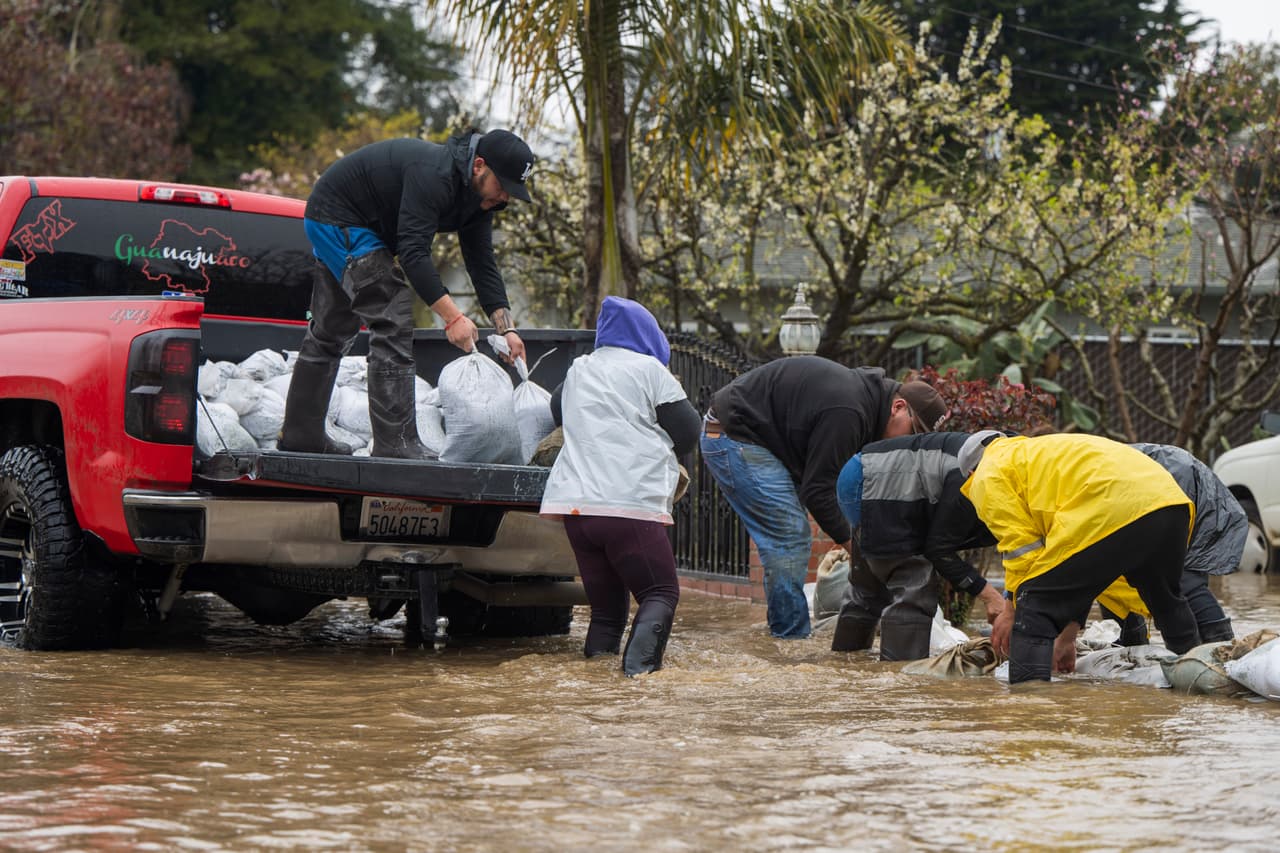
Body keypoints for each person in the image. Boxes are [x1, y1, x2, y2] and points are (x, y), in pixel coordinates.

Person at [279, 129, 534, 459]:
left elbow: (482, 262)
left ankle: (301, 435)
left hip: (356, 225)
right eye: (503, 186)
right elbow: (414, 253)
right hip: (338, 216)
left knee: (331, 329)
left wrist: (507, 328)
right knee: (392, 313)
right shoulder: (434, 174)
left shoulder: (479, 202)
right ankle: (395, 443)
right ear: (479, 166)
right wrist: (452, 317)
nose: (505, 198)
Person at [700, 356, 947, 639]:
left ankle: (782, 629)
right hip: (733, 436)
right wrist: (860, 549)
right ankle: (789, 642)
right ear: (898, 407)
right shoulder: (850, 412)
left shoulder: (869, 405)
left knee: (790, 535)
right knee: (789, 536)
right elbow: (818, 492)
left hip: (766, 443)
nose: (909, 444)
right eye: (914, 433)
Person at [958, 430, 1202, 684]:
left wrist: (1011, 611)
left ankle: (1028, 708)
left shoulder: (988, 473)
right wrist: (1068, 637)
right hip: (1170, 502)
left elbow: (1023, 553)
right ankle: (1196, 683)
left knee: (1034, 608)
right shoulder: (1040, 454)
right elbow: (1081, 575)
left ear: (970, 474)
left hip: (1113, 506)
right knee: (1166, 602)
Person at [540, 297, 701, 676]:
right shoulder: (649, 370)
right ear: (648, 334)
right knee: (660, 593)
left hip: (577, 510)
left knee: (608, 612)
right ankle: (637, 685)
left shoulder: (580, 368)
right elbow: (689, 431)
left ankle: (598, 684)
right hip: (628, 505)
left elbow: (557, 409)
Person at [833, 432, 1006, 660]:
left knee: (869, 591)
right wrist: (990, 595)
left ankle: (846, 664)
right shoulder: (972, 479)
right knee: (913, 586)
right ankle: (903, 681)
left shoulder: (1003, 463)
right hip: (877, 483)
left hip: (864, 470)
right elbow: (938, 549)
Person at [1098, 443, 1247, 644]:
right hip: (1168, 471)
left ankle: (1218, 641)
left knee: (1179, 573)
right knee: (1110, 567)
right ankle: (1132, 635)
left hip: (1160, 478)